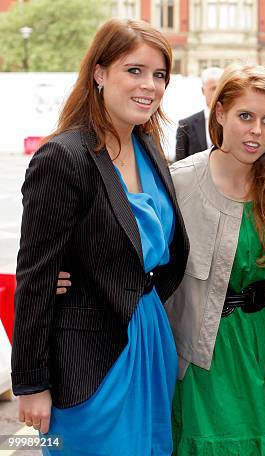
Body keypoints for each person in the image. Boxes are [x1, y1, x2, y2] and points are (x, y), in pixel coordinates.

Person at [10, 18, 189, 455]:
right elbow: (35, 277)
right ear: (100, 73)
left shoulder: (148, 146)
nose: (149, 85)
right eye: (135, 70)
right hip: (88, 360)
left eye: (159, 74)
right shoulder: (63, 156)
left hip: (150, 341)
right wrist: (31, 384)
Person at [167, 64, 265, 455]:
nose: (256, 131)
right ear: (221, 112)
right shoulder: (179, 183)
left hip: (262, 348)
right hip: (204, 350)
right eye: (245, 116)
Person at [175, 66, 223, 161]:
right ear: (203, 90)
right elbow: (179, 166)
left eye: (220, 89)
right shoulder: (185, 125)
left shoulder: (235, 122)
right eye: (213, 88)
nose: (218, 93)